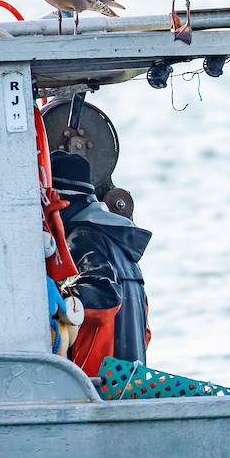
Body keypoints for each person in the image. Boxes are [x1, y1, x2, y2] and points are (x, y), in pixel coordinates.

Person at [51, 151, 152, 376]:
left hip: (95, 387)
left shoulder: (82, 238)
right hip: (129, 386)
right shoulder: (123, 250)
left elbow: (104, 298)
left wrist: (55, 297)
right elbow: (144, 334)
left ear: (59, 202)